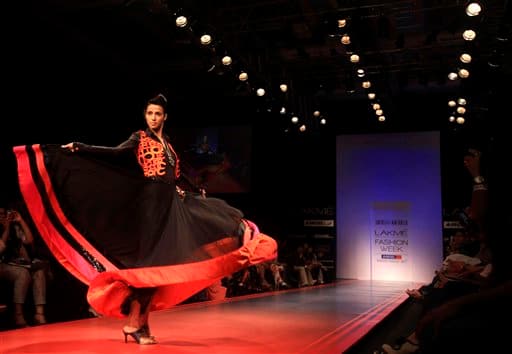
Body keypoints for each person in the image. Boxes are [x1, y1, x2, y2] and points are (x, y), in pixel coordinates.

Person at [12, 93, 277, 344]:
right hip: (151, 210)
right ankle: (135, 324)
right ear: (145, 116)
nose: (152, 117)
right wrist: (80, 148)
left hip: (172, 206)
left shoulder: (169, 146)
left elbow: (175, 177)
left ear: (165, 117)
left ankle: (139, 324)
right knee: (151, 270)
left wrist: (192, 192)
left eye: (157, 113)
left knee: (168, 263)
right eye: (149, 113)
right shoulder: (139, 138)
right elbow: (114, 153)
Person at [0, 206, 48, 327]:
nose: (2, 216)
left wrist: (20, 220)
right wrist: (6, 229)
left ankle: (39, 314)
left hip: (15, 263)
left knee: (39, 272)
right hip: (2, 264)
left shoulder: (13, 228)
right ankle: (18, 315)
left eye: (4, 214)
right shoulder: (5, 228)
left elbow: (30, 240)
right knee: (22, 273)